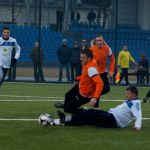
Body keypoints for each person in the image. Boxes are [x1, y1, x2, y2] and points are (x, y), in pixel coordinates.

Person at [51, 86, 142, 131]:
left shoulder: (135, 103)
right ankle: (66, 119)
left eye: (128, 93)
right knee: (90, 112)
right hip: (111, 116)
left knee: (89, 116)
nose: (126, 95)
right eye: (126, 93)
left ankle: (64, 121)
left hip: (113, 120)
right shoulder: (131, 102)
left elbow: (139, 115)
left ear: (134, 94)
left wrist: (137, 126)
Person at [55, 49, 104, 114]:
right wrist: (78, 78)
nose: (80, 59)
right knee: (68, 95)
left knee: (68, 108)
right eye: (80, 57)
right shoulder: (88, 63)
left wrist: (95, 98)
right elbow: (86, 76)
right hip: (80, 87)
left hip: (85, 94)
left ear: (89, 58)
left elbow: (100, 83)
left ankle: (84, 112)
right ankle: (67, 108)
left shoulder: (91, 69)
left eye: (83, 57)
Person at [90, 35, 115, 107]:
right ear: (95, 41)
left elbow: (113, 60)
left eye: (100, 40)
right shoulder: (91, 50)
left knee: (107, 89)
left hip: (103, 73)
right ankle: (96, 108)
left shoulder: (107, 48)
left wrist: (111, 70)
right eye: (97, 40)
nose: (99, 42)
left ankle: (93, 96)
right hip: (95, 73)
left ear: (103, 41)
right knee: (98, 88)